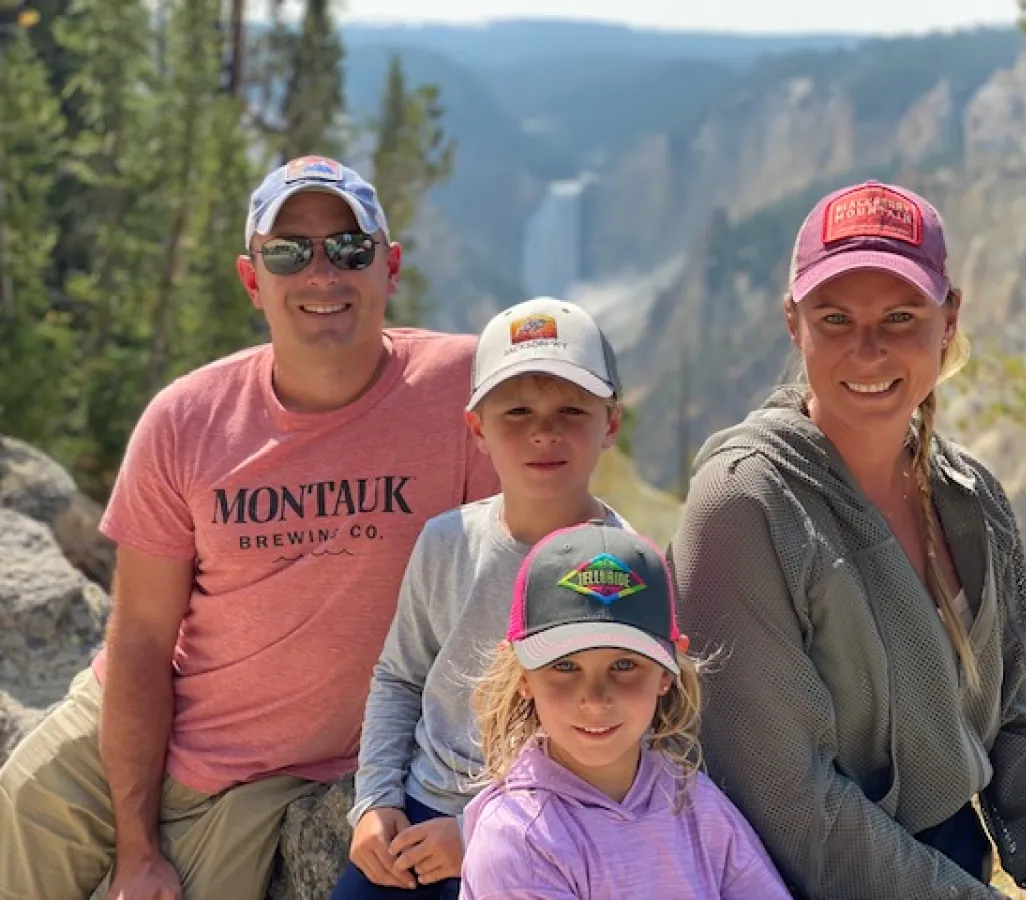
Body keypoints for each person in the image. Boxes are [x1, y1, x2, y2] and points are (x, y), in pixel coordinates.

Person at [0, 155, 501, 900]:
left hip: (264, 781)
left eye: (350, 248)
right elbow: (140, 638)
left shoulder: (466, 393)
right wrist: (137, 847)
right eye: (289, 252)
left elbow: (529, 564)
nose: (322, 273)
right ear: (251, 279)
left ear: (390, 267)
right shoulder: (185, 420)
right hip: (121, 730)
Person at [668, 180, 1026, 900]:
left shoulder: (970, 498)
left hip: (947, 871)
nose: (868, 350)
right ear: (793, 324)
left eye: (901, 317)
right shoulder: (746, 505)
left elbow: (1019, 719)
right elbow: (791, 804)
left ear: (949, 319)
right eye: (836, 318)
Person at [332, 296, 632, 899]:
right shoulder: (446, 542)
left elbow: (621, 741)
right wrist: (375, 801)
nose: (544, 431)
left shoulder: (622, 569)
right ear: (478, 429)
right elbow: (401, 677)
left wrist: (482, 833)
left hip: (551, 832)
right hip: (420, 816)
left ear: (610, 426)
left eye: (572, 410)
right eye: (516, 411)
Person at [457, 522, 793, 899]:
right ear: (523, 677)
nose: (596, 699)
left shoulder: (692, 796)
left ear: (666, 672)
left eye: (624, 665)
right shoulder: (518, 836)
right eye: (565, 666)